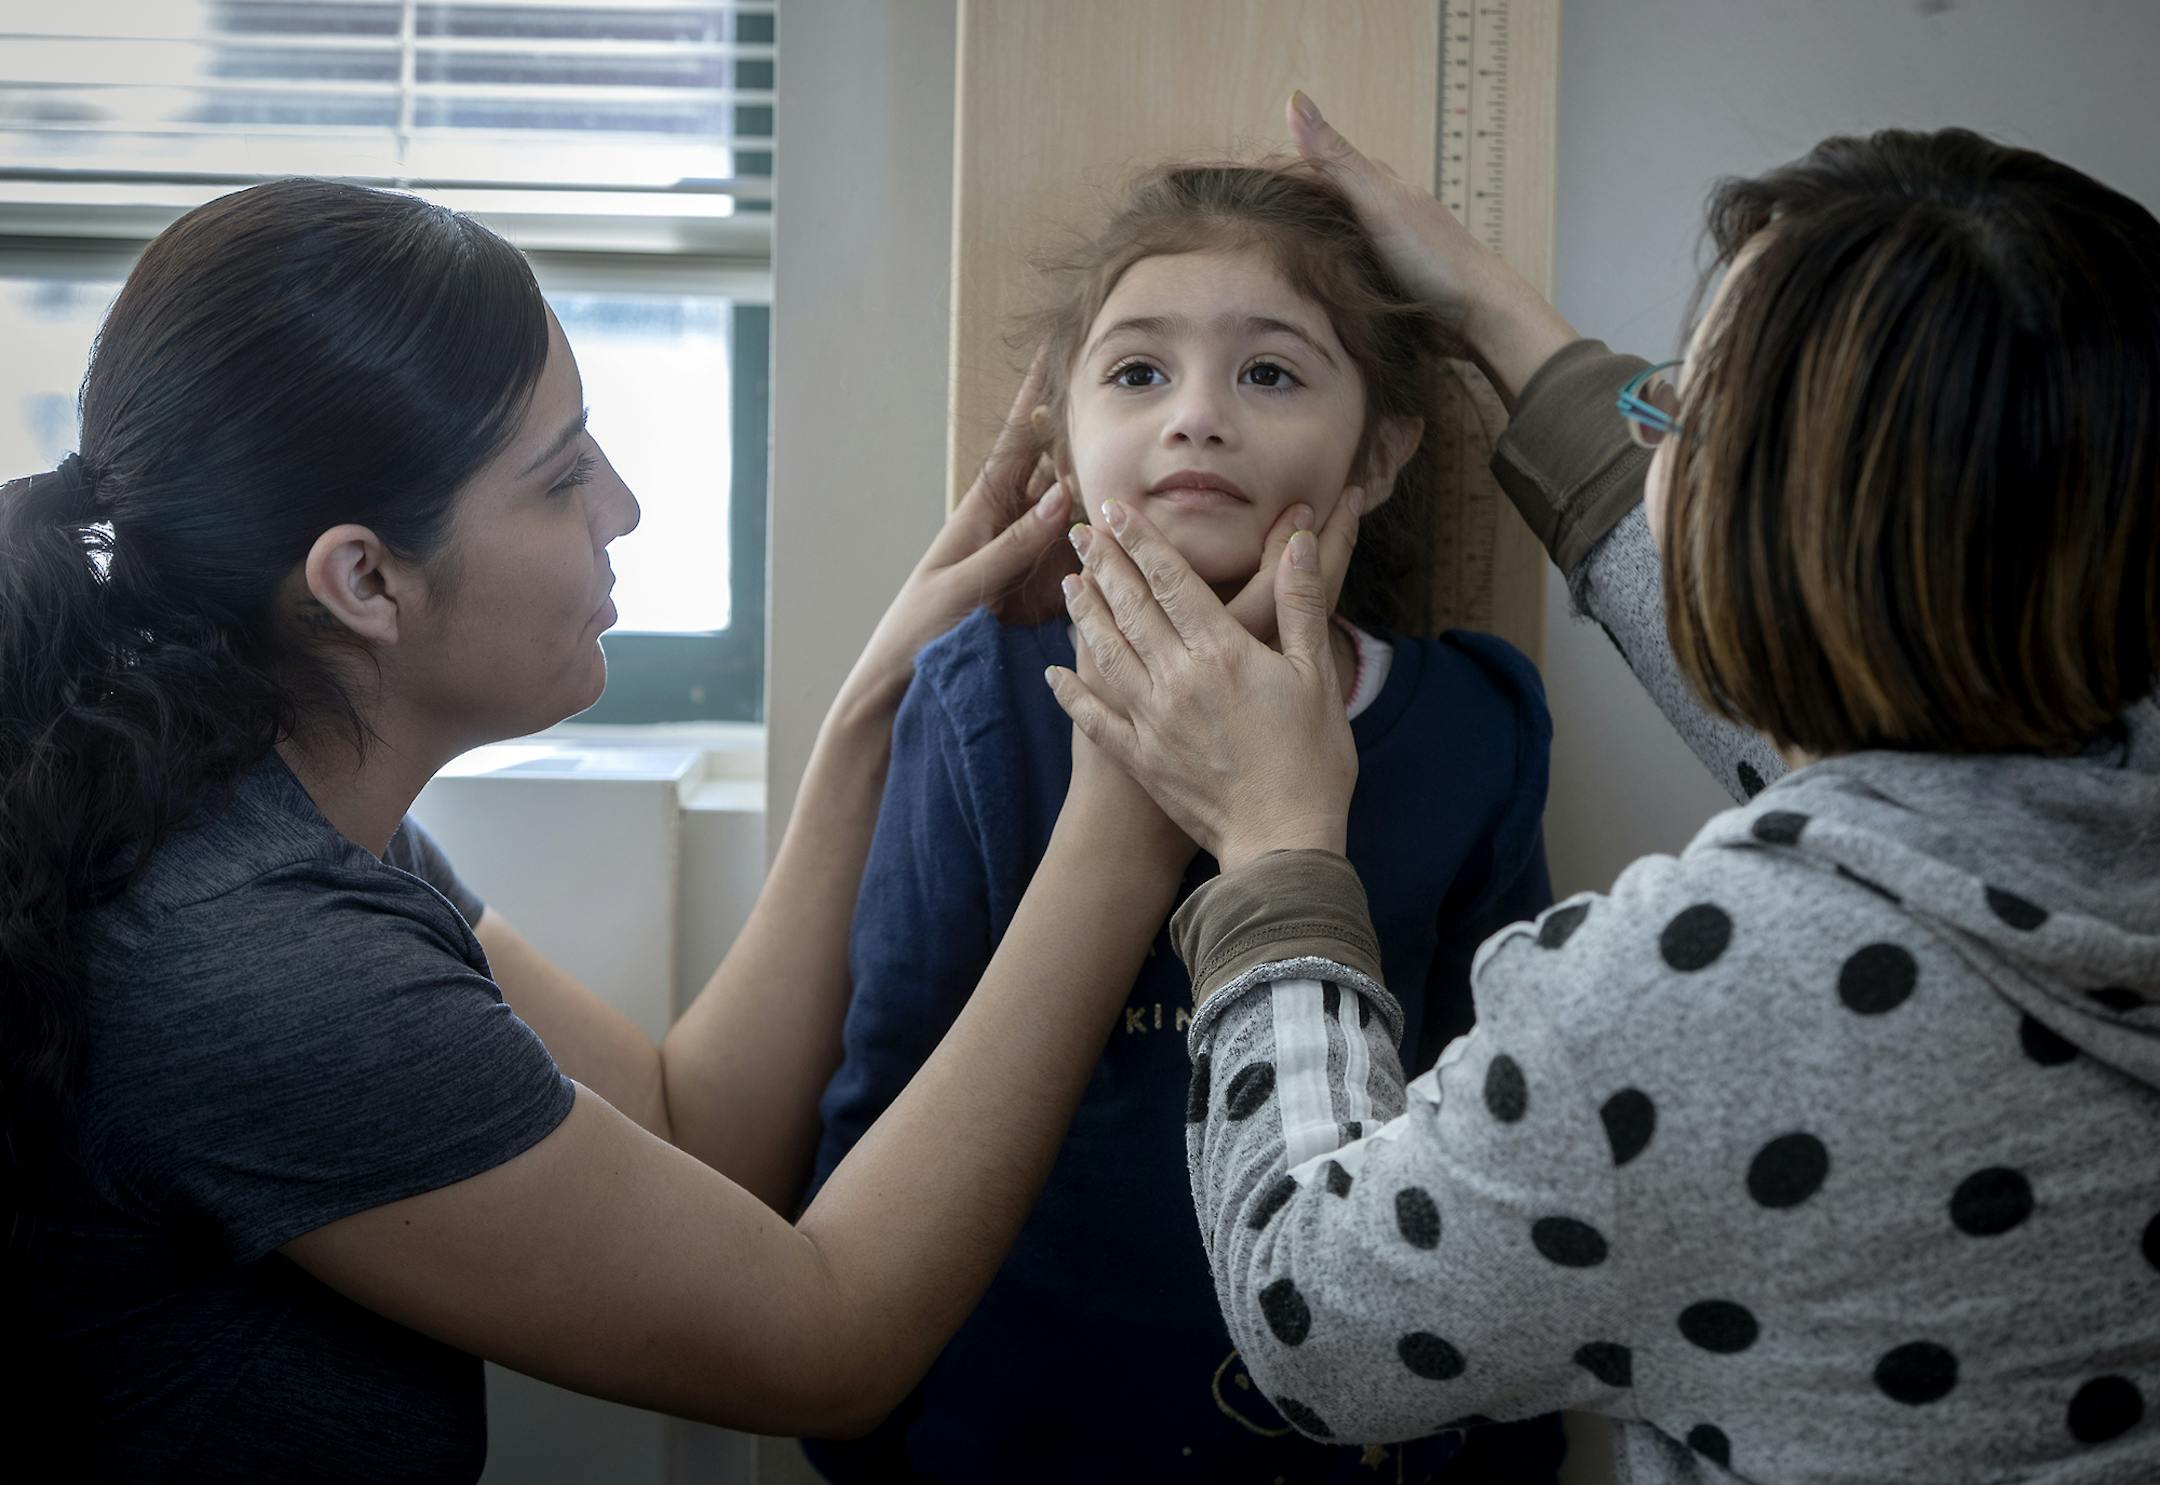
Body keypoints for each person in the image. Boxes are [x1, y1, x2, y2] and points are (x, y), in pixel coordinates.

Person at [1, 176, 1359, 1481]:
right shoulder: (265, 966)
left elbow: (684, 1129)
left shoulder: (265, 792)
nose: (624, 510)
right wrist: (1127, 818)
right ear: (364, 578)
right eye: (558, 477)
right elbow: (831, 1341)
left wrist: (866, 715)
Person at [1050, 94, 2160, 1482]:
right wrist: (1490, 305)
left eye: (1677, 409)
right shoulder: (2108, 787)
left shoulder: (1699, 998)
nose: (1644, 445)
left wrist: (1275, 852)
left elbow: (1318, 1322)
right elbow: (1835, 721)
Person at [806, 162, 1565, 1483]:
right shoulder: (978, 699)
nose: (1197, 417)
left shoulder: (1471, 729)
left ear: (1379, 453)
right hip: (1017, 1431)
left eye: (1269, 374)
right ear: (1059, 435)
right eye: (1138, 374)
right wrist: (863, 1422)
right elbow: (888, 1067)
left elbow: (1505, 1122)